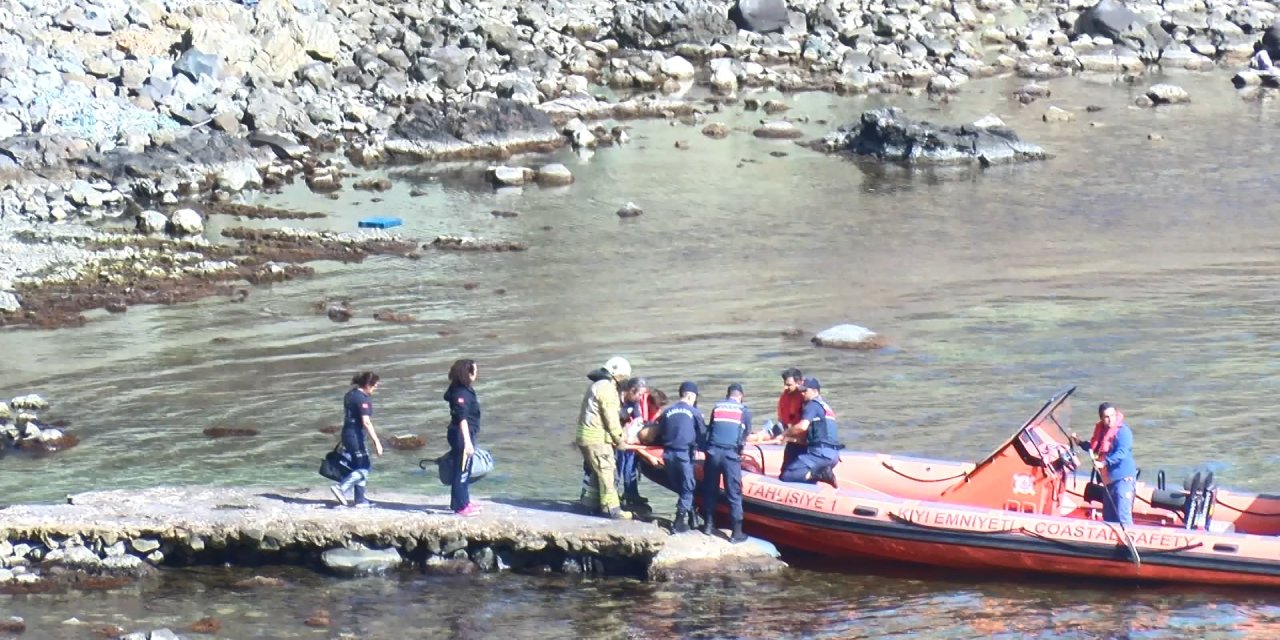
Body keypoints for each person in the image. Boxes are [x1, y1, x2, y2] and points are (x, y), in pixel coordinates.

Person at [576, 356, 634, 520]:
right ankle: (612, 510)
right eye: (624, 377)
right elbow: (610, 418)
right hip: (597, 439)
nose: (625, 381)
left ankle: (590, 504)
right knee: (607, 471)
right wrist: (619, 439)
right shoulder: (607, 389)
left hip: (586, 437)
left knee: (597, 471)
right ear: (617, 374)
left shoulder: (596, 385)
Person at [701, 383, 751, 542]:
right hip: (730, 456)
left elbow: (711, 430)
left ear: (727, 395)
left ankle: (708, 526)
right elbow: (746, 433)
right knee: (734, 494)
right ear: (741, 396)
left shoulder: (717, 408)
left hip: (713, 453)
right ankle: (737, 533)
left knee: (710, 489)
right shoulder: (743, 411)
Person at [655, 381, 707, 533]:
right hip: (684, 455)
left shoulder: (667, 411)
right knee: (688, 488)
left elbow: (661, 432)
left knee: (680, 487)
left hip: (668, 455)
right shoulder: (695, 412)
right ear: (691, 396)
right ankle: (678, 522)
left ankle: (692, 517)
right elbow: (702, 435)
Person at [1073, 403, 1136, 525]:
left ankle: (1128, 538)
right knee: (1108, 516)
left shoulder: (1123, 432)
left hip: (1122, 479)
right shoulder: (1102, 431)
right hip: (1108, 481)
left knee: (1123, 516)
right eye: (1106, 417)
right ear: (1101, 418)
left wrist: (1104, 463)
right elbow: (1094, 447)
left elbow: (1121, 453)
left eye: (1112, 415)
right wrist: (1079, 442)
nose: (1110, 419)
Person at [331, 371, 384, 507]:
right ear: (367, 384)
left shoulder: (350, 395)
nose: (376, 388)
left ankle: (360, 499)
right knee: (364, 466)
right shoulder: (362, 399)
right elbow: (366, 422)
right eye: (374, 385)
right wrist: (377, 442)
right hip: (355, 436)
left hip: (347, 434)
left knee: (358, 466)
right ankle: (341, 488)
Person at [778, 377, 840, 487]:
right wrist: (790, 439)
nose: (802, 394)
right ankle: (817, 476)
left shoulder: (812, 405)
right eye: (801, 391)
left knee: (787, 475)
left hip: (820, 454)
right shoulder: (826, 407)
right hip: (834, 455)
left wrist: (784, 434)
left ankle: (820, 474)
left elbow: (802, 427)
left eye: (805, 391)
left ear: (815, 391)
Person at [444, 359, 482, 517]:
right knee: (462, 471)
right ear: (468, 373)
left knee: (464, 469)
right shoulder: (461, 393)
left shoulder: (461, 388)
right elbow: (462, 418)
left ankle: (463, 500)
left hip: (461, 433)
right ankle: (460, 506)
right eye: (475, 370)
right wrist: (467, 442)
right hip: (461, 434)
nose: (477, 373)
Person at [617, 377, 654, 510]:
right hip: (614, 438)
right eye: (639, 394)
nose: (640, 397)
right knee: (617, 467)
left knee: (631, 464)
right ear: (631, 390)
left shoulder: (634, 402)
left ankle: (631, 493)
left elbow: (638, 420)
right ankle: (612, 496)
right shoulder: (616, 399)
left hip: (627, 438)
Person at [776, 368, 806, 471]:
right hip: (792, 438)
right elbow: (782, 418)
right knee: (784, 472)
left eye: (789, 385)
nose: (785, 387)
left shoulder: (805, 397)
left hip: (805, 442)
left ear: (799, 382)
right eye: (785, 384)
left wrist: (787, 436)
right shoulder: (785, 396)